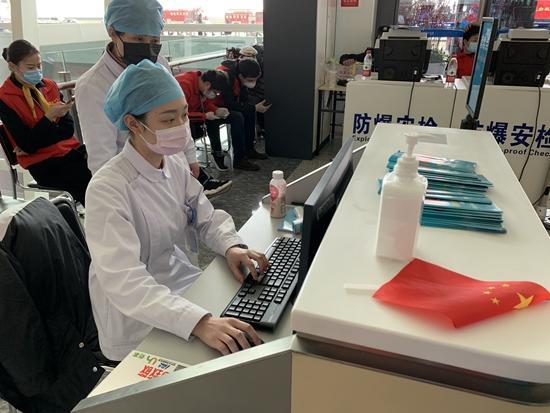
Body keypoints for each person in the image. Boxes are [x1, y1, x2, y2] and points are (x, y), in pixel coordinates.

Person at [85, 60, 266, 361]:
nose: (181, 126)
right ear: (133, 124)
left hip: (179, 285)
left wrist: (231, 246)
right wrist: (198, 322)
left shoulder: (172, 164)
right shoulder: (108, 188)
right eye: (169, 119)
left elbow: (205, 216)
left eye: (183, 115)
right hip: (136, 316)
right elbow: (124, 280)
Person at [75, 0, 231, 197]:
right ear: (112, 32)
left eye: (155, 41)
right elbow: (102, 155)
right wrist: (118, 197)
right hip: (134, 181)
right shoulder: (93, 85)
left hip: (174, 167)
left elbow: (179, 115)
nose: (148, 48)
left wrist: (190, 155)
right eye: (139, 39)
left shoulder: (160, 64)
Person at [0, 40, 91, 205]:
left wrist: (36, 139)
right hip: (44, 163)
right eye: (31, 67)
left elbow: (68, 130)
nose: (37, 71)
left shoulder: (49, 86)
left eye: (39, 66)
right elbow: (28, 144)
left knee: (102, 164)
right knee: (90, 181)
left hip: (69, 151)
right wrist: (49, 117)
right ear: (13, 66)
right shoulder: (5, 98)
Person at [177, 70, 261, 171]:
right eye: (216, 92)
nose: (215, 95)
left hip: (199, 113)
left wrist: (216, 110)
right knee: (202, 125)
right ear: (208, 85)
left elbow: (206, 103)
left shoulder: (203, 84)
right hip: (182, 120)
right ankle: (212, 155)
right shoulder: (184, 86)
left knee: (236, 117)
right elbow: (179, 115)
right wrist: (204, 116)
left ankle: (240, 158)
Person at [218, 59, 270, 163]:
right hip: (217, 108)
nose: (253, 83)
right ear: (241, 76)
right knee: (237, 117)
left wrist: (251, 107)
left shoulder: (240, 75)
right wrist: (254, 108)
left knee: (249, 112)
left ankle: (249, 149)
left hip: (229, 104)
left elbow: (243, 99)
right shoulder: (225, 78)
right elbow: (230, 104)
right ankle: (239, 158)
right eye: (250, 80)